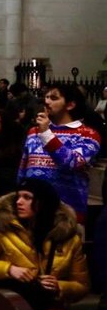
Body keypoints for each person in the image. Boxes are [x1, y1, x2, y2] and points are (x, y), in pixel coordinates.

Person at [0, 178, 89, 310]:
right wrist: (9, 269)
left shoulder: (68, 237)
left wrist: (59, 286)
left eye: (27, 197)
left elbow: (82, 285)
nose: (19, 202)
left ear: (43, 203)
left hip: (50, 307)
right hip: (7, 305)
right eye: (18, 197)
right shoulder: (0, 228)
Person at [18, 84, 101, 225]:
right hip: (33, 213)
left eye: (54, 98)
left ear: (70, 105)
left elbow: (72, 163)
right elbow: (23, 168)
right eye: (46, 97)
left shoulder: (88, 135)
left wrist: (46, 133)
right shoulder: (33, 132)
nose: (47, 102)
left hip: (66, 214)